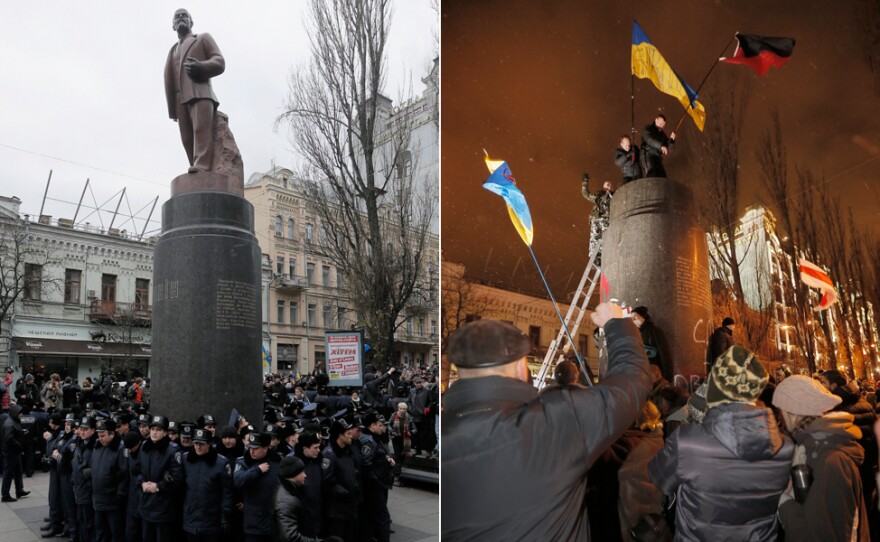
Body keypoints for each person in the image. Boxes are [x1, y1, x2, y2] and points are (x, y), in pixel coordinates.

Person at [441, 302, 652, 540]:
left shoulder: (443, 433)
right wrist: (618, 324)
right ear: (520, 367)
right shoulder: (555, 422)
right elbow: (632, 382)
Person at [649, 346, 794, 541]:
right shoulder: (785, 446)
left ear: (715, 386)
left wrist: (693, 419)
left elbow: (658, 476)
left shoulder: (688, 441)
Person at [774, 375, 870, 541]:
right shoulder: (818, 447)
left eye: (780, 412)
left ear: (792, 413)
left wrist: (783, 502)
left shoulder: (829, 460)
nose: (779, 420)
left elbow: (818, 536)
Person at [163, 9, 226, 173]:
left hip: (200, 93)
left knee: (201, 131)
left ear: (191, 22)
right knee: (187, 139)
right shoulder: (172, 51)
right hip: (179, 100)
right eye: (176, 16)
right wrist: (172, 110)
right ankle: (196, 171)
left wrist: (201, 67)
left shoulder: (202, 38)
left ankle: (203, 167)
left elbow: (219, 62)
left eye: (184, 15)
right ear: (173, 25)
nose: (180, 18)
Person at [137, 415, 184, 542]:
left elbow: (178, 478)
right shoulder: (145, 447)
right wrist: (142, 483)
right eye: (152, 429)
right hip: (146, 505)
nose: (154, 432)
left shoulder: (173, 451)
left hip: (164, 508)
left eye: (158, 430)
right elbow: (137, 470)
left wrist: (158, 486)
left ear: (164, 432)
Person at [182, 428, 233, 542]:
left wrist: (225, 514)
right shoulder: (186, 459)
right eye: (196, 443)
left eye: (202, 444)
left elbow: (227, 491)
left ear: (209, 444)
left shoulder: (220, 463)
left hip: (211, 519)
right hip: (190, 517)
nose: (198, 447)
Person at [275, 456, 341, 542]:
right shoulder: (286, 501)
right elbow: (290, 537)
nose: (305, 475)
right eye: (302, 472)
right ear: (293, 474)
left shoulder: (293, 492)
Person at [234, 432, 282, 542]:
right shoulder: (243, 461)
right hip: (253, 522)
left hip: (272, 520)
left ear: (265, 448)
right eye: (250, 447)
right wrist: (257, 470)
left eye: (256, 448)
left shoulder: (277, 462)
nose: (252, 451)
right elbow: (238, 481)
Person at [321, 419, 361, 542]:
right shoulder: (330, 454)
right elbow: (326, 479)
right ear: (340, 435)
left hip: (349, 506)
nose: (351, 436)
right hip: (337, 510)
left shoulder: (347, 451)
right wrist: (343, 492)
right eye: (348, 434)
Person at [91, 417, 124, 542]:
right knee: (100, 531)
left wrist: (119, 495)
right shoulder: (97, 446)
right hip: (98, 499)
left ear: (112, 433)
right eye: (99, 435)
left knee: (115, 532)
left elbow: (124, 475)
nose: (100, 438)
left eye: (103, 435)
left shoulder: (120, 449)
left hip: (112, 501)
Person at [631, 306, 672, 382]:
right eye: (632, 319)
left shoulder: (655, 331)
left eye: (635, 318)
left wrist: (667, 378)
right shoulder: (635, 334)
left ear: (643, 317)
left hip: (654, 377)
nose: (633, 321)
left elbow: (665, 354)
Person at [581, 173, 614, 267]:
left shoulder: (614, 197)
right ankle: (595, 257)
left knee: (606, 236)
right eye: (607, 184)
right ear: (603, 186)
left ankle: (603, 255)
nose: (609, 186)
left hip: (607, 219)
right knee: (595, 236)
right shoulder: (598, 195)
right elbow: (586, 194)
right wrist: (585, 182)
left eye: (611, 185)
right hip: (597, 218)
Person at [1, 404, 30, 502]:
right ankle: (5, 495)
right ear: (15, 413)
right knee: (8, 473)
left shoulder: (13, 421)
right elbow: (8, 439)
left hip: (14, 451)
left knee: (18, 471)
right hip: (10, 452)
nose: (21, 414)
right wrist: (19, 444)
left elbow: (13, 433)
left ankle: (19, 490)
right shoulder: (10, 423)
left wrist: (21, 432)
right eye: (20, 413)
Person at [641, 114, 676, 178]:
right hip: (648, 154)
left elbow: (669, 150)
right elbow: (649, 140)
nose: (662, 125)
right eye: (660, 123)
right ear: (656, 120)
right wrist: (661, 146)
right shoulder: (648, 128)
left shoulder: (662, 135)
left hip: (658, 158)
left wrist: (672, 140)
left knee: (663, 177)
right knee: (651, 173)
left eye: (663, 124)